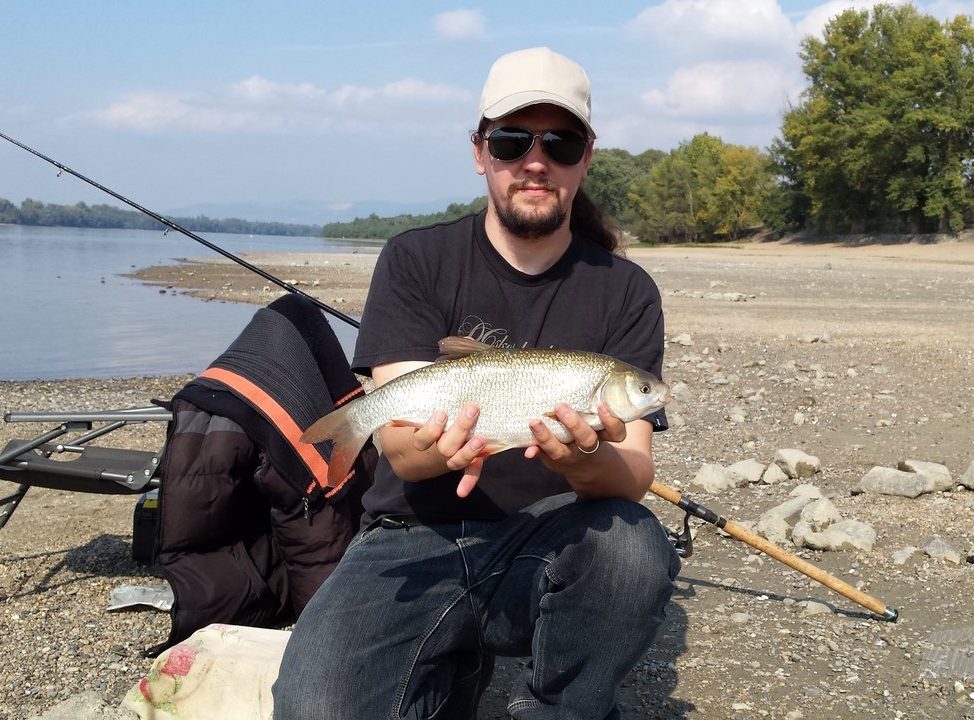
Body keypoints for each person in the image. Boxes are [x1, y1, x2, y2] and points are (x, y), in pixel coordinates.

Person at [272, 47, 679, 720]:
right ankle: (445, 667)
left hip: (544, 540)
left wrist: (583, 455)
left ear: (586, 155)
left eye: (562, 142)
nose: (536, 161)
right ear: (480, 151)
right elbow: (403, 450)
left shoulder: (626, 291)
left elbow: (633, 473)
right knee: (313, 708)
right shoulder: (415, 258)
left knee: (633, 546)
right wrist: (455, 446)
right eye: (513, 140)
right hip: (411, 536)